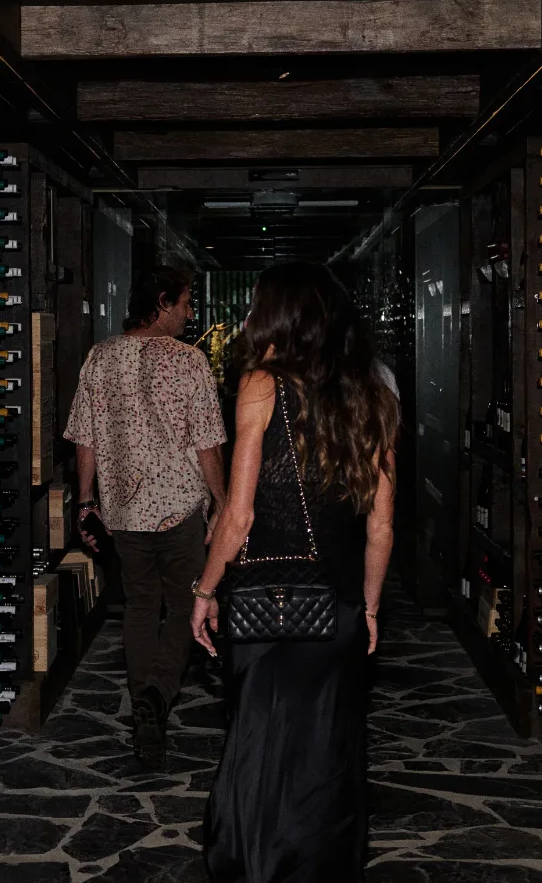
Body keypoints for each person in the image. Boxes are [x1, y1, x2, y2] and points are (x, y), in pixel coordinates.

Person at [192, 262, 399, 883]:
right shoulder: (376, 397)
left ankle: (255, 865)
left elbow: (239, 512)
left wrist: (205, 589)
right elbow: (381, 526)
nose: (252, 316)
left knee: (258, 748)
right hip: (334, 605)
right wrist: (368, 607)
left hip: (270, 605)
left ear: (279, 315)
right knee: (323, 755)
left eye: (258, 306)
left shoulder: (262, 384)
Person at [64, 264, 229, 768]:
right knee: (185, 606)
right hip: (179, 508)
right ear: (162, 302)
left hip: (123, 510)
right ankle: (157, 693)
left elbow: (85, 438)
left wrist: (87, 501)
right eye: (184, 303)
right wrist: (223, 502)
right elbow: (208, 444)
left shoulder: (99, 357)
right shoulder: (190, 361)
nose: (189, 313)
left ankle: (143, 715)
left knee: (138, 608)